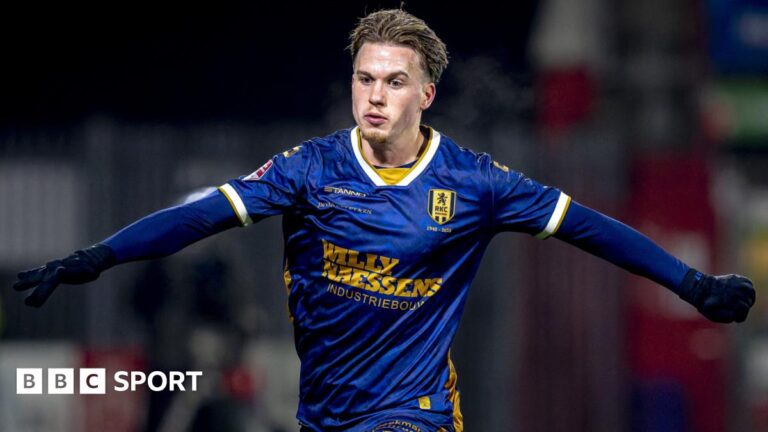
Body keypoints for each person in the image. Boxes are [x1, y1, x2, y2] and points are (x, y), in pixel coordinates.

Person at [13, 9, 755, 432]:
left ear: (425, 95)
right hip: (324, 416)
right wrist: (94, 258)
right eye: (364, 78)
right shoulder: (309, 169)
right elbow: (205, 217)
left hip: (415, 415)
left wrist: (692, 284)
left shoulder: (475, 183)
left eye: (394, 81)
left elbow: (589, 227)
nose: (374, 95)